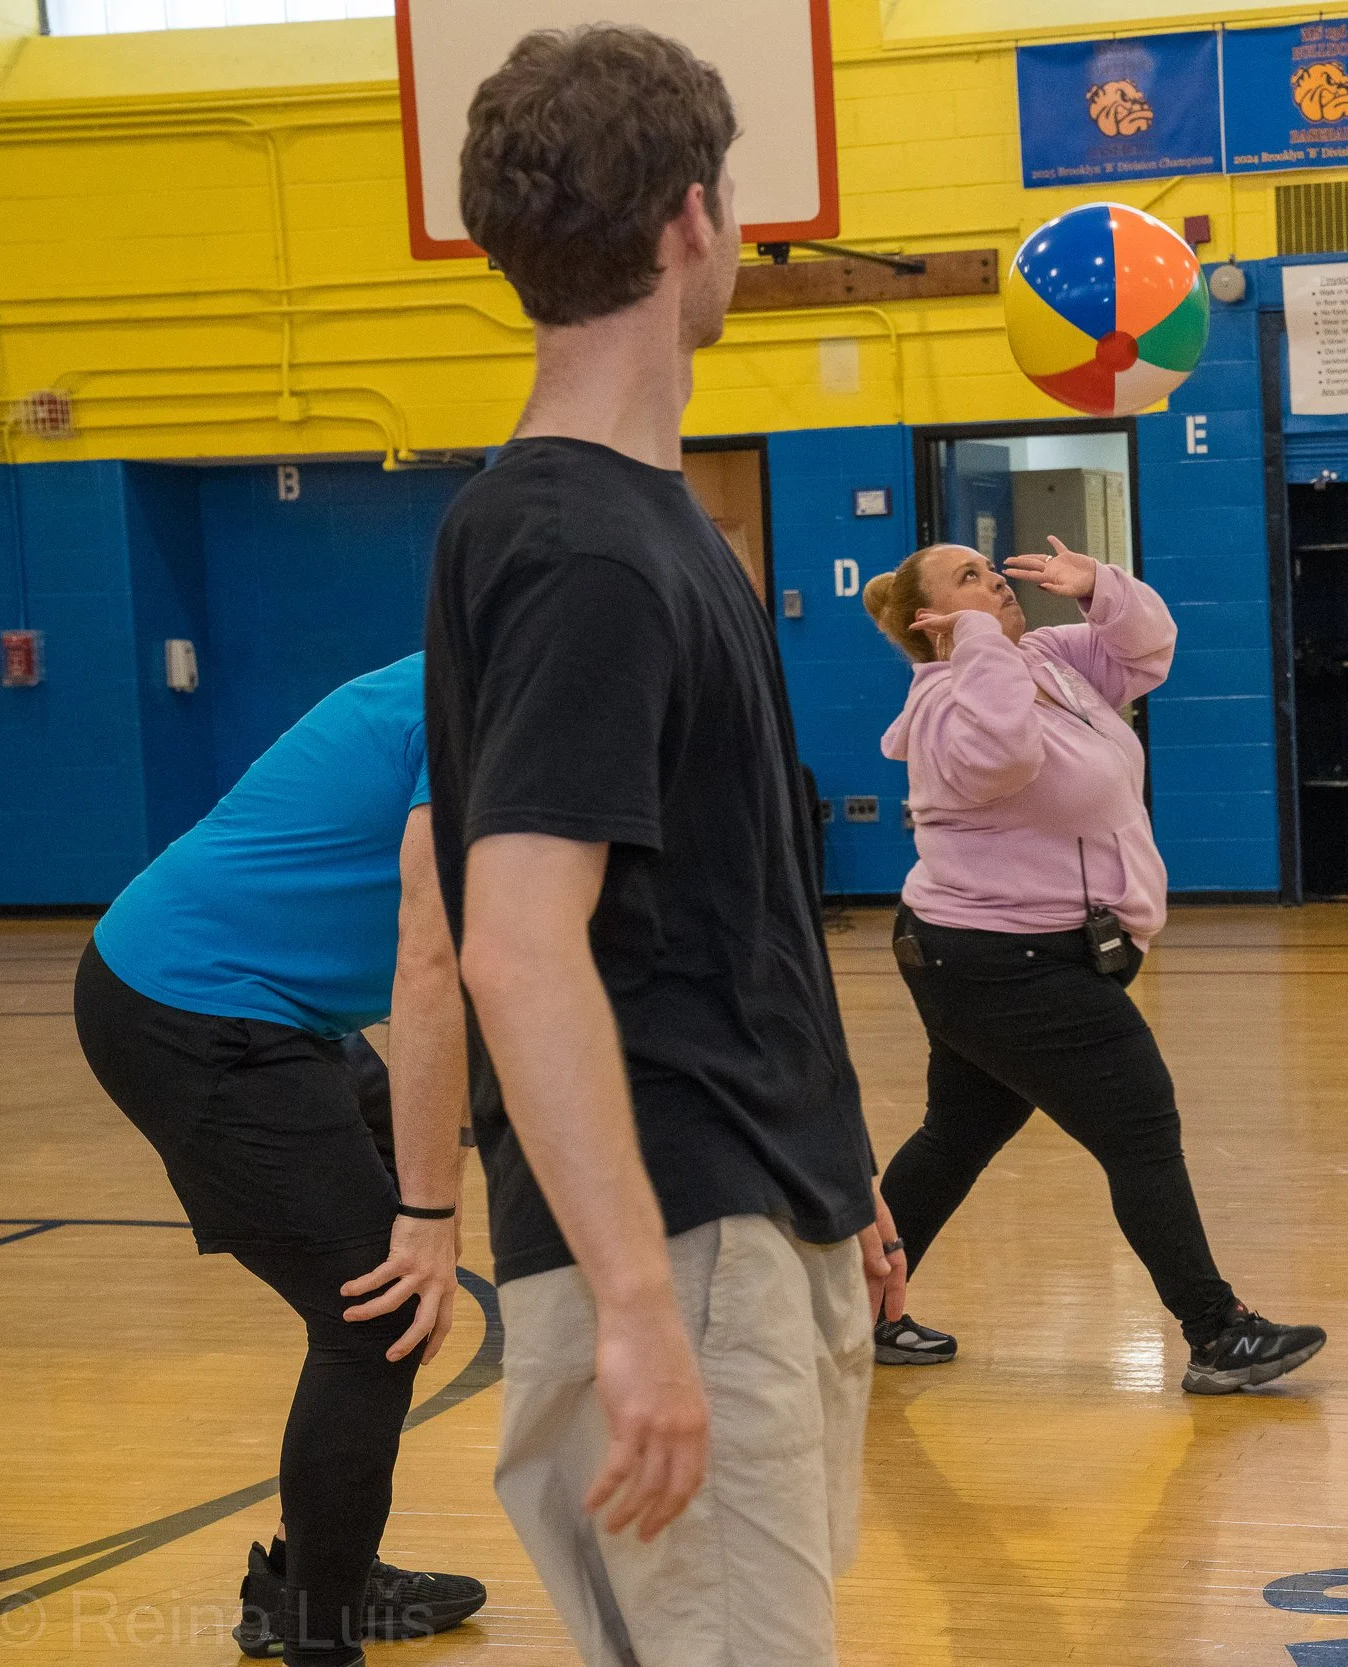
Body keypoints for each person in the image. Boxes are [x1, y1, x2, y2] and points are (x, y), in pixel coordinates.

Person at [425, 27, 894, 1667]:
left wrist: (843, 1186)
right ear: (693, 217)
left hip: (764, 1204)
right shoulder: (579, 551)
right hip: (681, 1238)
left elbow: (729, 905)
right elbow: (511, 938)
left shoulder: (656, 529)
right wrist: (633, 1302)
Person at [72, 654, 487, 1667]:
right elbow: (434, 956)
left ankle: (314, 1575)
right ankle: (315, 1636)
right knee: (378, 1316)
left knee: (381, 1305)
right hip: (193, 1005)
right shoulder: (478, 695)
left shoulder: (492, 660)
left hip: (284, 1012)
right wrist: (434, 1211)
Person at [863, 537, 1327, 1394]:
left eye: (990, 569)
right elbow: (1005, 756)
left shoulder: (1044, 658)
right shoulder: (943, 708)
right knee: (1140, 1121)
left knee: (957, 1136)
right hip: (997, 961)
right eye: (970, 578)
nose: (996, 580)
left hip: (1005, 954)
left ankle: (854, 1319)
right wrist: (974, 647)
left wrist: (1100, 589)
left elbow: (1147, 650)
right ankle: (1216, 1332)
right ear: (932, 625)